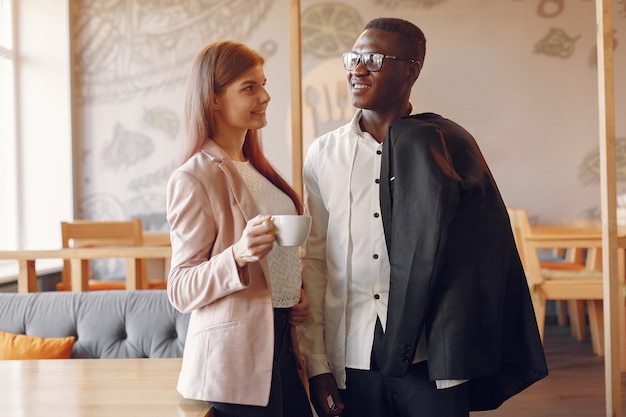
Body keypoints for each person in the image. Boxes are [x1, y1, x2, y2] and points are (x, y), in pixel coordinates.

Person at [298, 17, 549, 417]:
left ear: (411, 70)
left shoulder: (448, 146)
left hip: (431, 356)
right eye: (353, 57)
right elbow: (314, 263)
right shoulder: (324, 155)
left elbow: (483, 254)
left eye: (374, 59)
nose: (357, 69)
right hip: (352, 354)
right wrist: (317, 366)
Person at [166, 40, 313, 417]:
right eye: (249, 87)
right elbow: (181, 289)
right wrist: (238, 254)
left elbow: (277, 260)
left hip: (282, 341)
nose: (264, 96)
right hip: (235, 360)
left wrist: (294, 295)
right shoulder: (193, 178)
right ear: (212, 99)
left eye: (263, 84)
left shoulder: (257, 169)